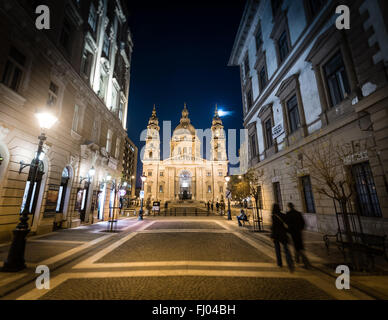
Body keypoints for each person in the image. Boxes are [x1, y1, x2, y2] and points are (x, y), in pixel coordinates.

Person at [285, 203, 311, 269]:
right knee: (298, 246)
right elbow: (303, 222)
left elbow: (286, 224)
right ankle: (297, 259)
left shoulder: (288, 214)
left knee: (298, 247)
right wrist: (300, 229)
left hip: (293, 233)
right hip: (298, 232)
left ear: (289, 207)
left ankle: (306, 262)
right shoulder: (298, 213)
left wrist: (288, 231)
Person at [270, 203, 294, 272]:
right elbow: (287, 225)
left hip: (276, 235)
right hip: (283, 234)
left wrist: (272, 236)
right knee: (286, 249)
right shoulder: (283, 215)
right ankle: (290, 262)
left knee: (277, 250)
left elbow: (273, 227)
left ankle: (279, 263)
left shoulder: (273, 216)